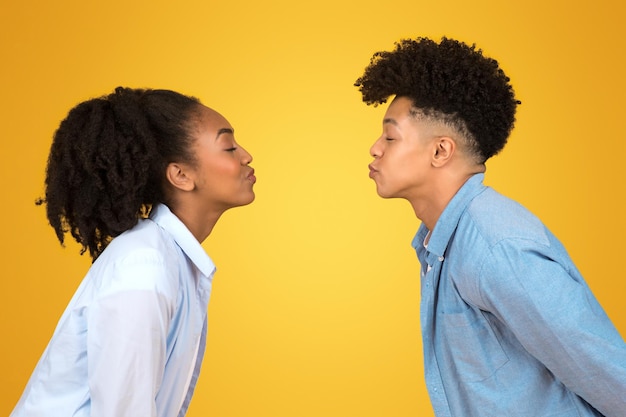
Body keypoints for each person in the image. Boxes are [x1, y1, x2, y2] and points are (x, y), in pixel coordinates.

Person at [355, 37, 626, 416]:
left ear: (440, 151)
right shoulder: (443, 245)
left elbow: (609, 373)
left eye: (390, 136)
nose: (375, 148)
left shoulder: (496, 248)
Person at [10, 87, 256, 417]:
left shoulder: (169, 260)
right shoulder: (145, 267)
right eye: (228, 147)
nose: (246, 156)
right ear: (181, 175)